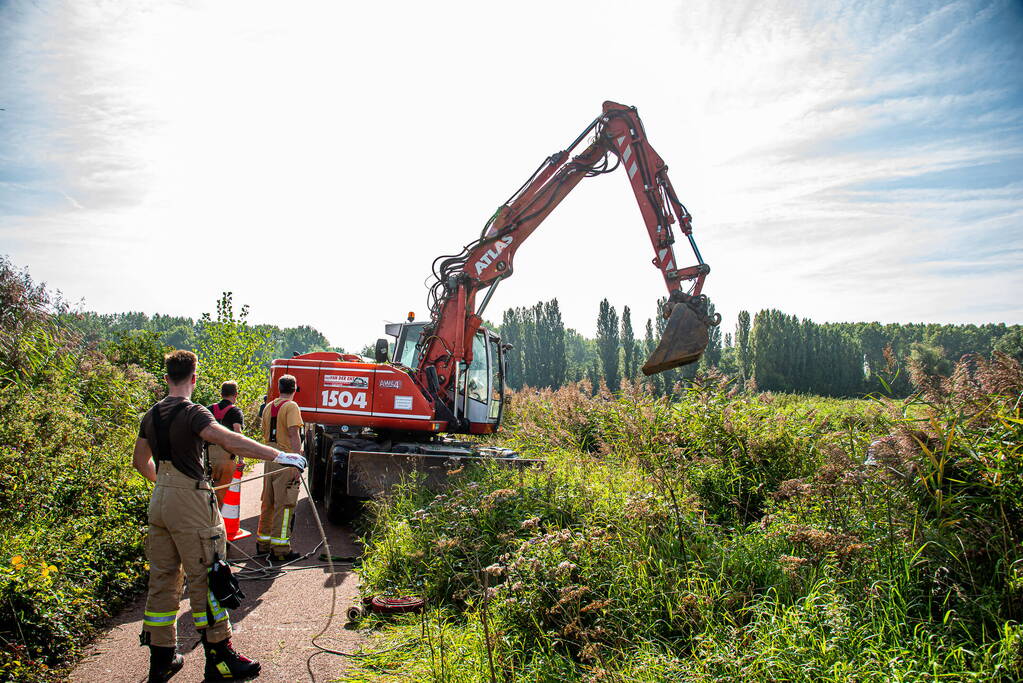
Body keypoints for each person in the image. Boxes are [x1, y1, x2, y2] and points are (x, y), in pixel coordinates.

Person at [133, 350, 306, 683]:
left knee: (164, 579)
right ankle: (220, 659)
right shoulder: (193, 412)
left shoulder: (151, 414)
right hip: (191, 502)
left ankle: (161, 659)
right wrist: (280, 455)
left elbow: (140, 462)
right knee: (208, 577)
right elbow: (228, 438)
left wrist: (166, 486)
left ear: (167, 377)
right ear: (194, 378)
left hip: (160, 500)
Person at [256, 374, 304, 562]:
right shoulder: (291, 407)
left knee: (268, 501)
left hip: (270, 457)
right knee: (285, 504)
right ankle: (281, 549)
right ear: (294, 389)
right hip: (286, 459)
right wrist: (296, 462)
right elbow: (294, 433)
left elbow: (264, 432)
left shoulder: (269, 407)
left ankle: (262, 543)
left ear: (279, 388)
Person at [207, 381, 245, 507]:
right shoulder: (235, 412)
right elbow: (237, 433)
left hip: (208, 456)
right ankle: (221, 523)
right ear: (236, 395)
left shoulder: (209, 409)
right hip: (226, 457)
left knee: (206, 493)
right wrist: (241, 458)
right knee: (223, 496)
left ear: (221, 393)